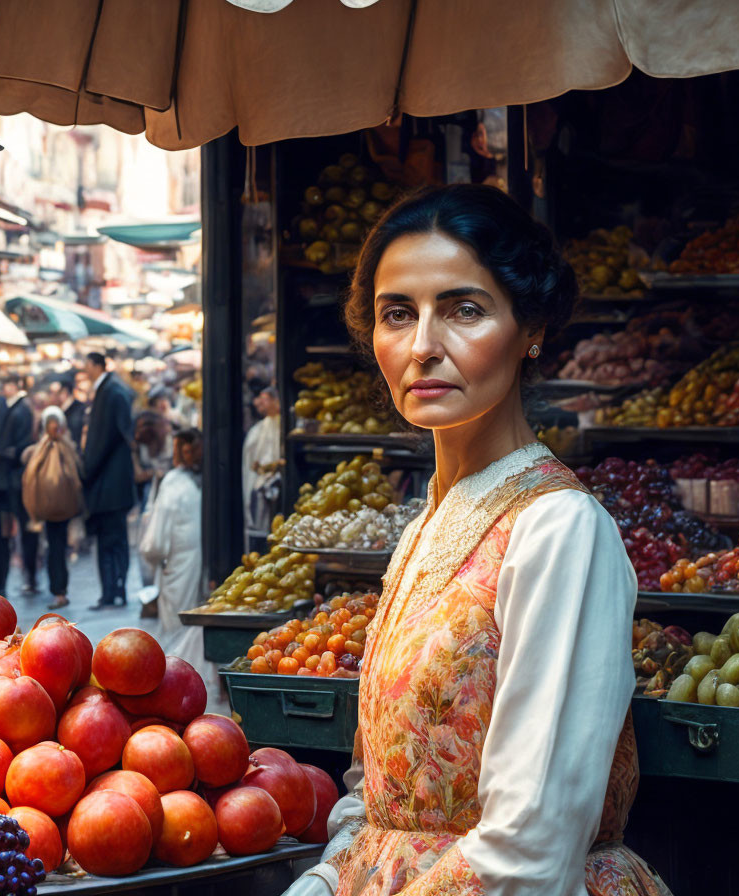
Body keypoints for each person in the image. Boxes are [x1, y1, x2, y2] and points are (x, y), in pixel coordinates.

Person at [287, 186, 670, 896]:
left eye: (464, 309)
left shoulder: (560, 530)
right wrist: (328, 878)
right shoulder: (425, 527)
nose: (424, 346)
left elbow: (532, 839)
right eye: (397, 314)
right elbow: (378, 789)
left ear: (532, 330)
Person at [80, 351, 138, 610]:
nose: (85, 370)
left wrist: (87, 470)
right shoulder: (112, 389)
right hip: (113, 484)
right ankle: (116, 591)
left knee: (110, 542)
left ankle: (112, 592)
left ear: (95, 365)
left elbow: (102, 440)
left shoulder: (110, 391)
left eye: (87, 366)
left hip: (109, 485)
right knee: (115, 541)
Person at [139, 428, 203, 637]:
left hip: (178, 565)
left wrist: (151, 555)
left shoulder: (173, 483)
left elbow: (155, 542)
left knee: (178, 630)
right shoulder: (205, 480)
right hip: (195, 563)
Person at [21, 406, 84, 610]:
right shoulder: (65, 446)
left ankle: (58, 590)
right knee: (56, 548)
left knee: (54, 548)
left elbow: (29, 471)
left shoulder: (43, 447)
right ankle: (58, 590)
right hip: (60, 509)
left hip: (49, 509)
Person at [0, 372, 38, 594]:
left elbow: (21, 448)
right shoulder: (8, 408)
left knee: (22, 532)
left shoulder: (21, 409)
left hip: (14, 482)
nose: (5, 388)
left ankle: (30, 577)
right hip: (6, 482)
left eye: (8, 384)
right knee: (7, 533)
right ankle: (16, 579)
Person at [241, 386, 282, 529]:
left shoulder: (282, 425)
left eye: (264, 399)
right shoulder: (258, 430)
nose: (258, 403)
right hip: (261, 487)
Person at [50, 377, 87, 448]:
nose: (51, 397)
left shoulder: (79, 410)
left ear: (64, 393)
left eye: (54, 393)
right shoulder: (61, 411)